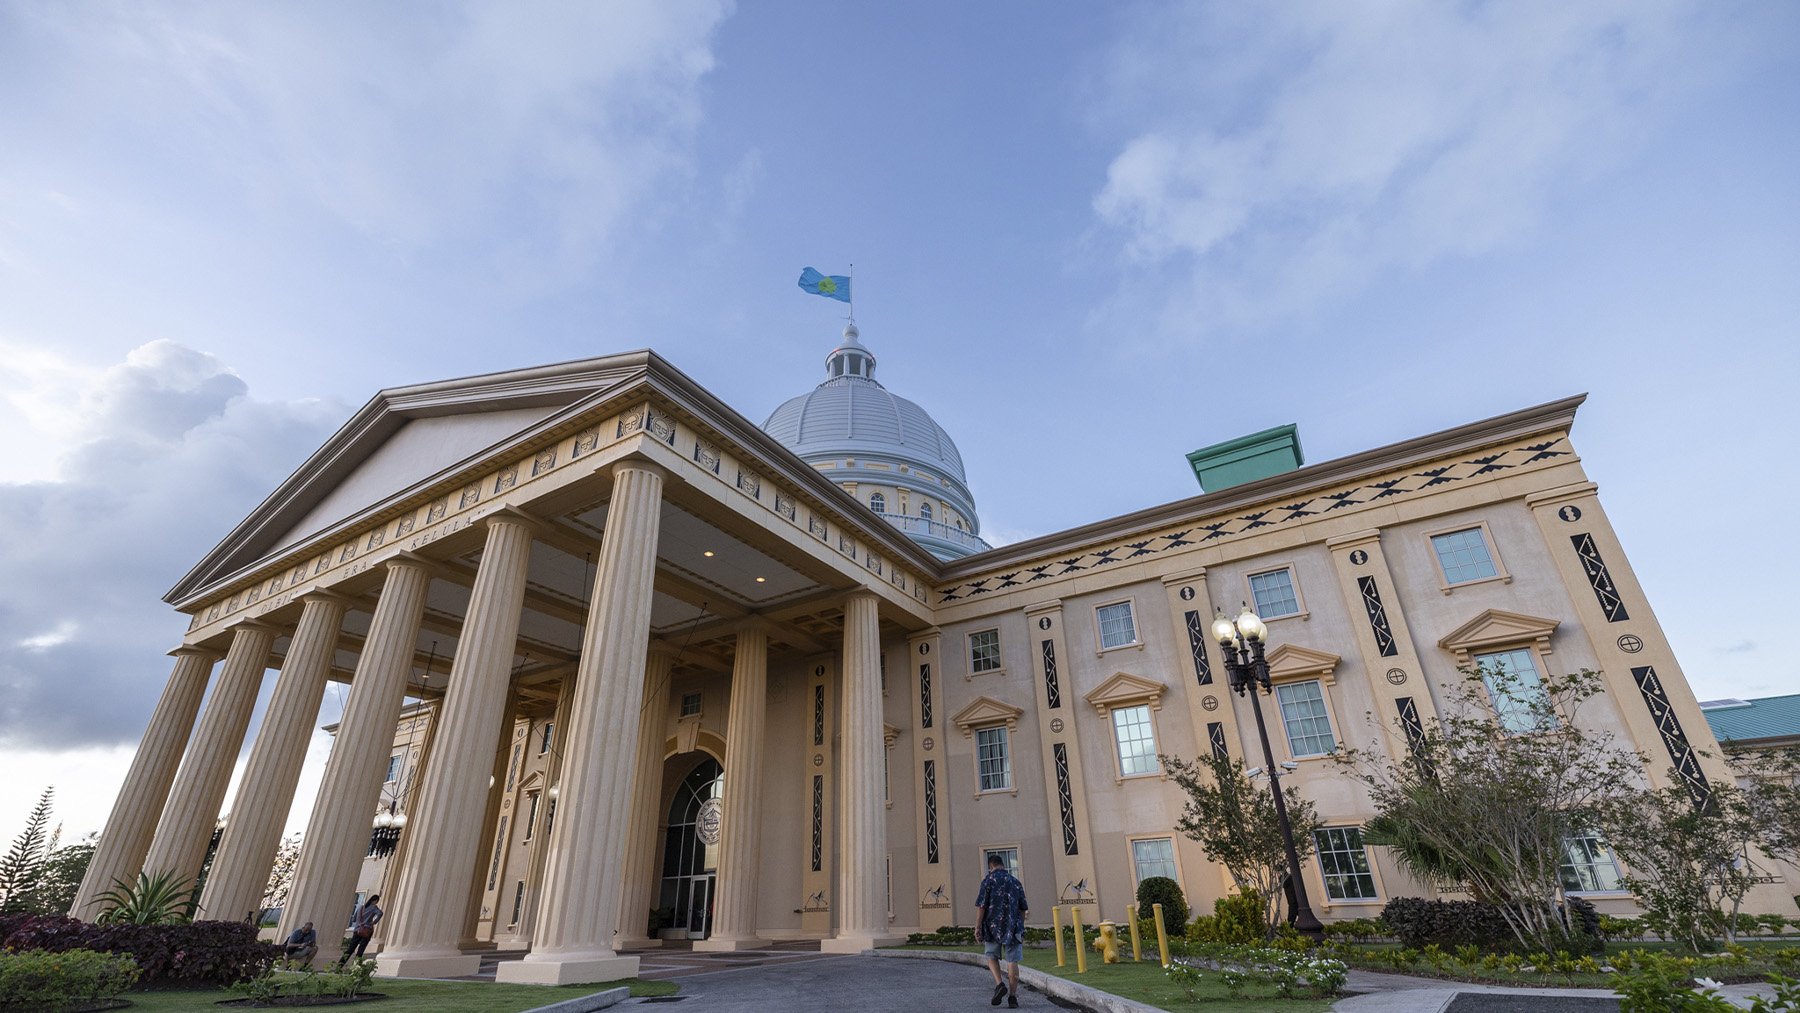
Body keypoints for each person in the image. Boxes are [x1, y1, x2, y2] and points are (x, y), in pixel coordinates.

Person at [975, 855, 1029, 1008]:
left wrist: (977, 927)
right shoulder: (1016, 882)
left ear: (990, 866)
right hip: (1014, 927)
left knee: (991, 956)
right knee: (1012, 961)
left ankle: (1000, 984)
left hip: (993, 927)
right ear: (1003, 865)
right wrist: (1020, 926)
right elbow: (1023, 909)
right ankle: (1012, 997)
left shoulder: (987, 881)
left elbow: (981, 907)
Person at [339, 894, 383, 964]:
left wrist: (359, 922)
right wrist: (374, 922)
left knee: (350, 949)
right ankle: (355, 967)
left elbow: (354, 919)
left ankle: (340, 965)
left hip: (357, 930)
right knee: (360, 950)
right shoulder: (374, 907)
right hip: (367, 931)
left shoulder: (360, 907)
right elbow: (380, 913)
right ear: (375, 901)